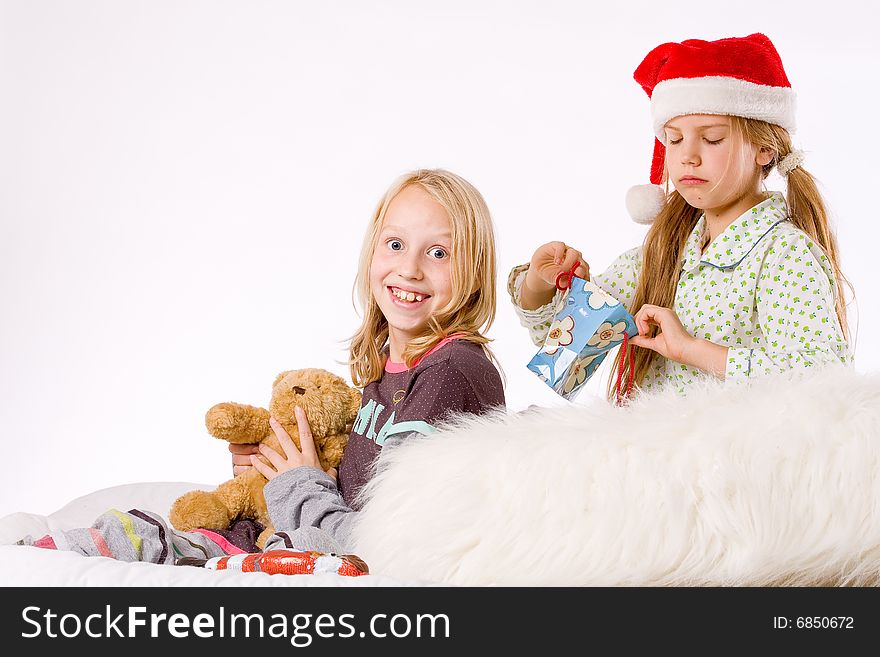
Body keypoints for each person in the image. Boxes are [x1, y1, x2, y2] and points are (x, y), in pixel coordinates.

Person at [18, 169, 505, 561]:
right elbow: (358, 484)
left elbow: (389, 543)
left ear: (473, 268)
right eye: (395, 244)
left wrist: (297, 483)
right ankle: (28, 561)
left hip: (318, 551)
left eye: (438, 252)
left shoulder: (451, 373)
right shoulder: (395, 365)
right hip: (287, 528)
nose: (410, 268)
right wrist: (273, 466)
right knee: (134, 530)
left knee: (149, 544)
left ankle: (27, 570)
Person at [509, 33, 853, 400]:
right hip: (654, 455)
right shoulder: (663, 253)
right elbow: (560, 338)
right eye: (674, 139)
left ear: (764, 149)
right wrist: (540, 283)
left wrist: (692, 350)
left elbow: (821, 377)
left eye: (712, 139)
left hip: (737, 455)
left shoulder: (784, 254)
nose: (688, 155)